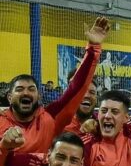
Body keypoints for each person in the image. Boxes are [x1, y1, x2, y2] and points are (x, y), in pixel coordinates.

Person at [1, 17, 106, 153]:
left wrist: (93, 49)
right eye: (20, 89)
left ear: (38, 95)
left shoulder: (50, 118)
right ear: (9, 97)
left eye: (31, 89)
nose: (26, 93)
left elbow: (75, 88)